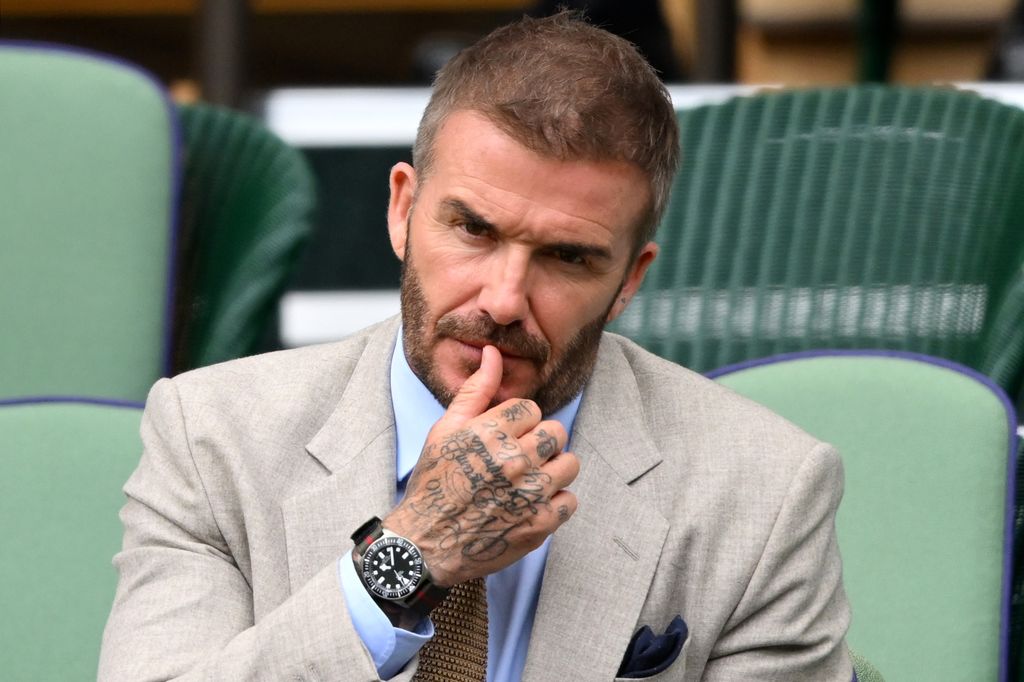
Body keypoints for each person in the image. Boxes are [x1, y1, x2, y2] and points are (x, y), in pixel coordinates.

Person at [100, 11, 852, 681]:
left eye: (567, 257)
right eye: (473, 230)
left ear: (630, 279)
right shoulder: (213, 437)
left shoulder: (764, 495)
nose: (501, 299)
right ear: (402, 209)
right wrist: (406, 560)